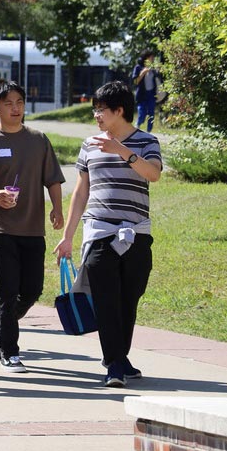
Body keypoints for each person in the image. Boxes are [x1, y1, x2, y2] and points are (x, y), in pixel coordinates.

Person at [55, 81, 163, 388]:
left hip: (137, 234)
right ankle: (114, 363)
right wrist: (68, 236)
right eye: (95, 109)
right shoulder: (90, 144)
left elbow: (153, 174)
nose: (96, 115)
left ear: (119, 111)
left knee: (130, 298)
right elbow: (80, 191)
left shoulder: (146, 141)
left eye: (101, 110)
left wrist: (122, 152)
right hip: (101, 232)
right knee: (105, 299)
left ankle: (120, 357)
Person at [0, 80, 66, 373]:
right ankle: (9, 352)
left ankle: (0, 322)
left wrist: (57, 209)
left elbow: (52, 178)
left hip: (32, 226)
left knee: (32, 290)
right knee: (7, 288)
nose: (15, 109)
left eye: (19, 103)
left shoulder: (38, 139)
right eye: (8, 103)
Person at [131, 51, 160, 132]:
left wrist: (158, 71)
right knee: (142, 113)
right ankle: (137, 126)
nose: (153, 59)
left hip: (151, 94)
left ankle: (149, 132)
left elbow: (158, 80)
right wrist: (142, 73)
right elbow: (135, 82)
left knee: (151, 114)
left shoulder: (153, 68)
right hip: (142, 94)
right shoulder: (138, 67)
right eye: (151, 57)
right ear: (146, 58)